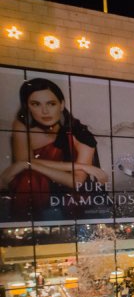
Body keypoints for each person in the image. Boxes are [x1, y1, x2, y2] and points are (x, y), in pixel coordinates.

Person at [0, 78, 109, 219]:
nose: (45, 111)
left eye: (51, 104)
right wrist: (80, 166)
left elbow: (75, 182)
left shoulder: (81, 135)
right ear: (27, 107)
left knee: (31, 177)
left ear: (62, 104)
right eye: (35, 104)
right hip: (37, 193)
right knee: (30, 179)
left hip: (68, 198)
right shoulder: (22, 126)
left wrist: (28, 164)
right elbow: (20, 164)